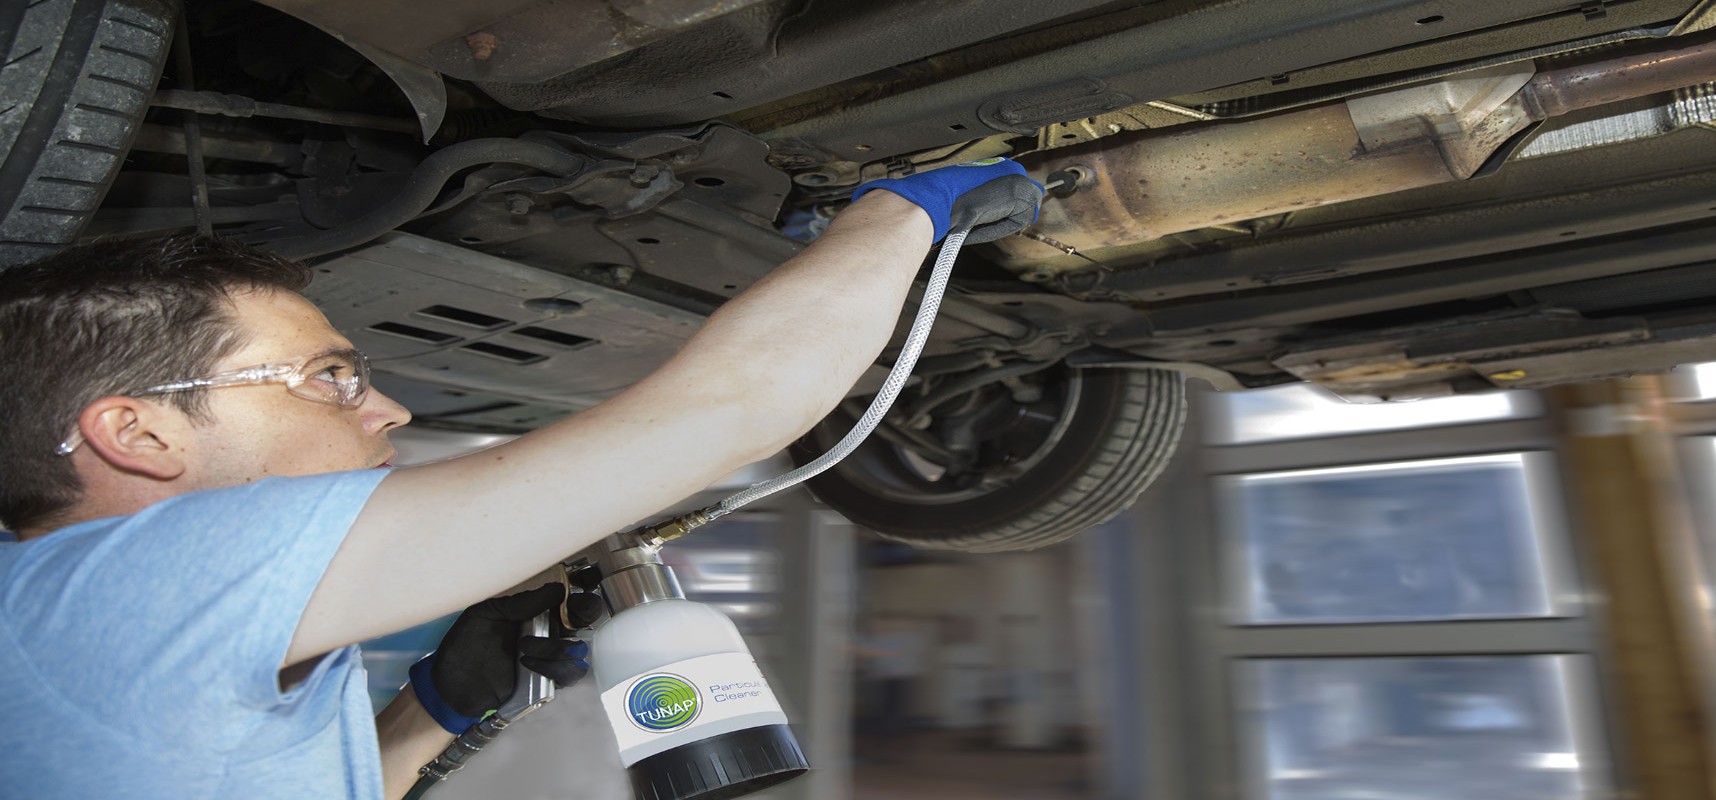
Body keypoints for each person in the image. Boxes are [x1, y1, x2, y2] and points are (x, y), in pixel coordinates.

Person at [0, 159, 1043, 798]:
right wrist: (901, 209)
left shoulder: (84, 628)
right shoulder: (103, 592)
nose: (390, 407)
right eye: (329, 377)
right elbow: (728, 410)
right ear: (135, 432)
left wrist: (436, 711)